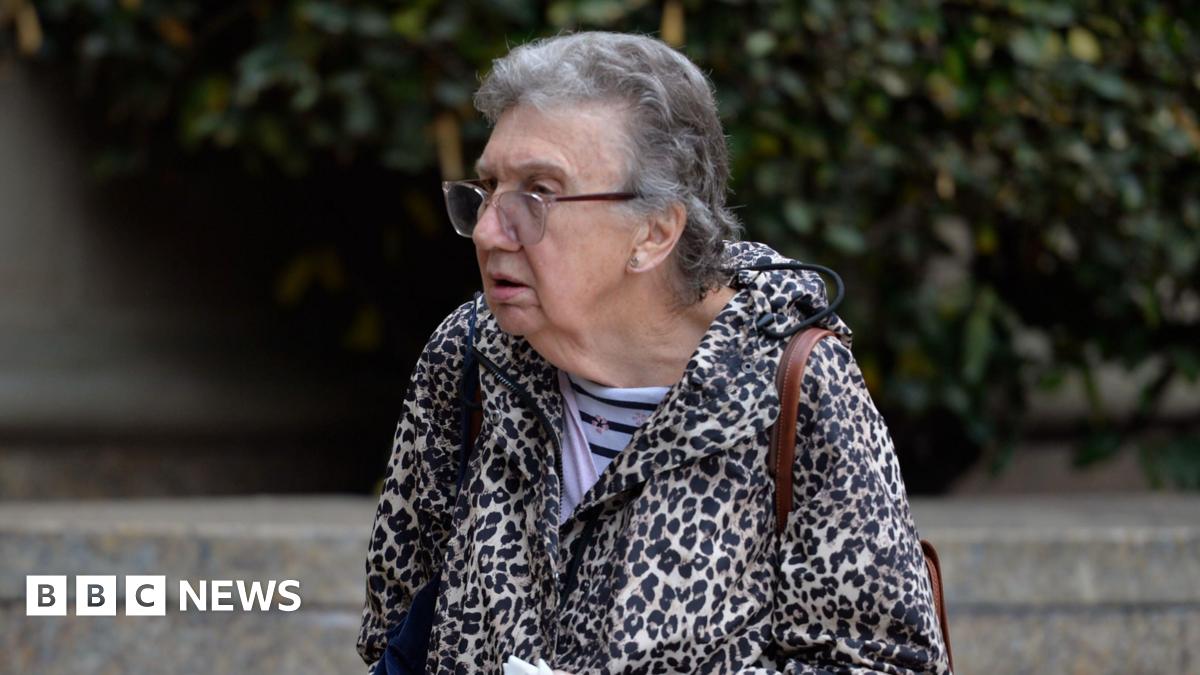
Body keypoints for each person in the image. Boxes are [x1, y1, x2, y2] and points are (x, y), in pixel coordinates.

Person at [358, 31, 951, 675]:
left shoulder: (793, 381)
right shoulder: (468, 356)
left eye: (537, 194)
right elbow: (394, 619)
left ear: (655, 231)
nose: (492, 231)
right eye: (488, 188)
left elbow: (888, 662)